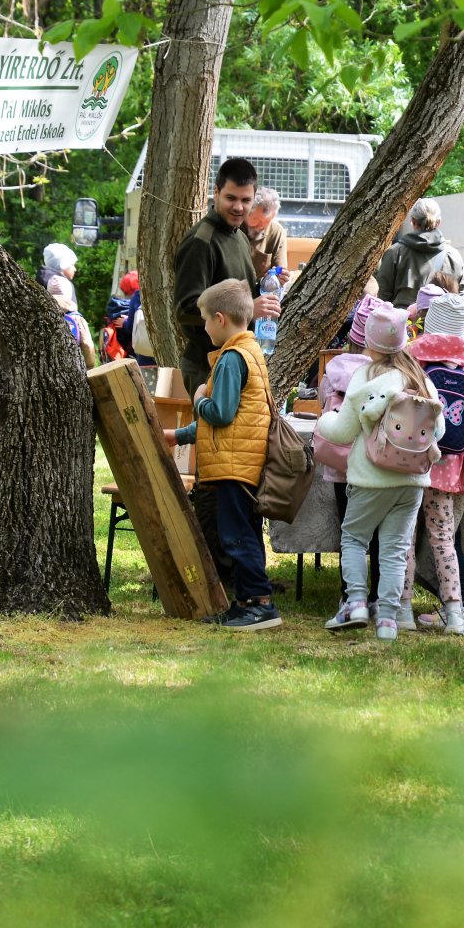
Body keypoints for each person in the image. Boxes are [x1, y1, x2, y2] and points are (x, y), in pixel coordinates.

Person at [157, 279, 281, 631]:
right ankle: (247, 603)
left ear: (221, 319)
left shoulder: (230, 359)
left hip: (232, 466)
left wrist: (198, 399)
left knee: (236, 536)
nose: (206, 327)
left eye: (206, 320)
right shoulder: (252, 351)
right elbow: (230, 423)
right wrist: (177, 435)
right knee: (244, 533)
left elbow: (221, 414)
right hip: (241, 461)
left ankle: (259, 604)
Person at [315, 304, 432, 641]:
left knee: (354, 538)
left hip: (371, 478)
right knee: (395, 548)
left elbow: (340, 432)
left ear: (367, 341)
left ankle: (355, 603)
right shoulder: (419, 378)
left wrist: (324, 420)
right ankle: (388, 619)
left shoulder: (366, 378)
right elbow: (435, 432)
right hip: (412, 481)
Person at [407, 292, 464, 635]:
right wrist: (462, 469)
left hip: (410, 465)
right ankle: (455, 612)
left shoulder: (414, 371)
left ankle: (400, 609)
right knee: (443, 539)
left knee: (405, 538)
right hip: (446, 470)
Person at [173, 156, 279, 396]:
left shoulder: (240, 237)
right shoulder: (201, 242)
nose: (238, 207)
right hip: (207, 367)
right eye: (231, 198)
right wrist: (249, 308)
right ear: (216, 192)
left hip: (236, 362)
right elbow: (185, 309)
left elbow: (240, 292)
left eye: (245, 200)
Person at [374, 198, 464, 308]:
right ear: (439, 222)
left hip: (403, 323)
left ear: (412, 220)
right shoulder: (453, 256)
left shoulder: (395, 253)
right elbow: (462, 298)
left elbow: (382, 297)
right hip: (443, 324)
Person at [245, 187, 289, 281]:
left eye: (267, 221)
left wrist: (280, 276)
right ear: (246, 213)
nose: (261, 226)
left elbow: (281, 268)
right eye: (256, 220)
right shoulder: (233, 226)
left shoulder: (276, 232)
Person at [48, 277, 95, 365]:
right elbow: (86, 344)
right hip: (75, 367)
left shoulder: (44, 316)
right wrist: (90, 366)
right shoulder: (76, 318)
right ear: (69, 293)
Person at [38, 242, 80, 312]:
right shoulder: (58, 282)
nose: (75, 269)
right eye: (72, 265)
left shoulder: (45, 278)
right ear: (63, 264)